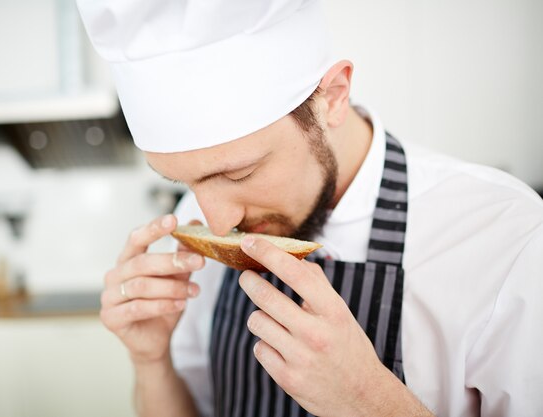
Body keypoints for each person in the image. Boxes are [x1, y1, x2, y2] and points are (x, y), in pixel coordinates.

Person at [77, 0, 543, 416]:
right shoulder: (197, 219)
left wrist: (370, 402)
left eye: (240, 174)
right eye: (184, 181)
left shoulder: (505, 235)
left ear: (333, 97)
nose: (217, 220)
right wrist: (151, 360)